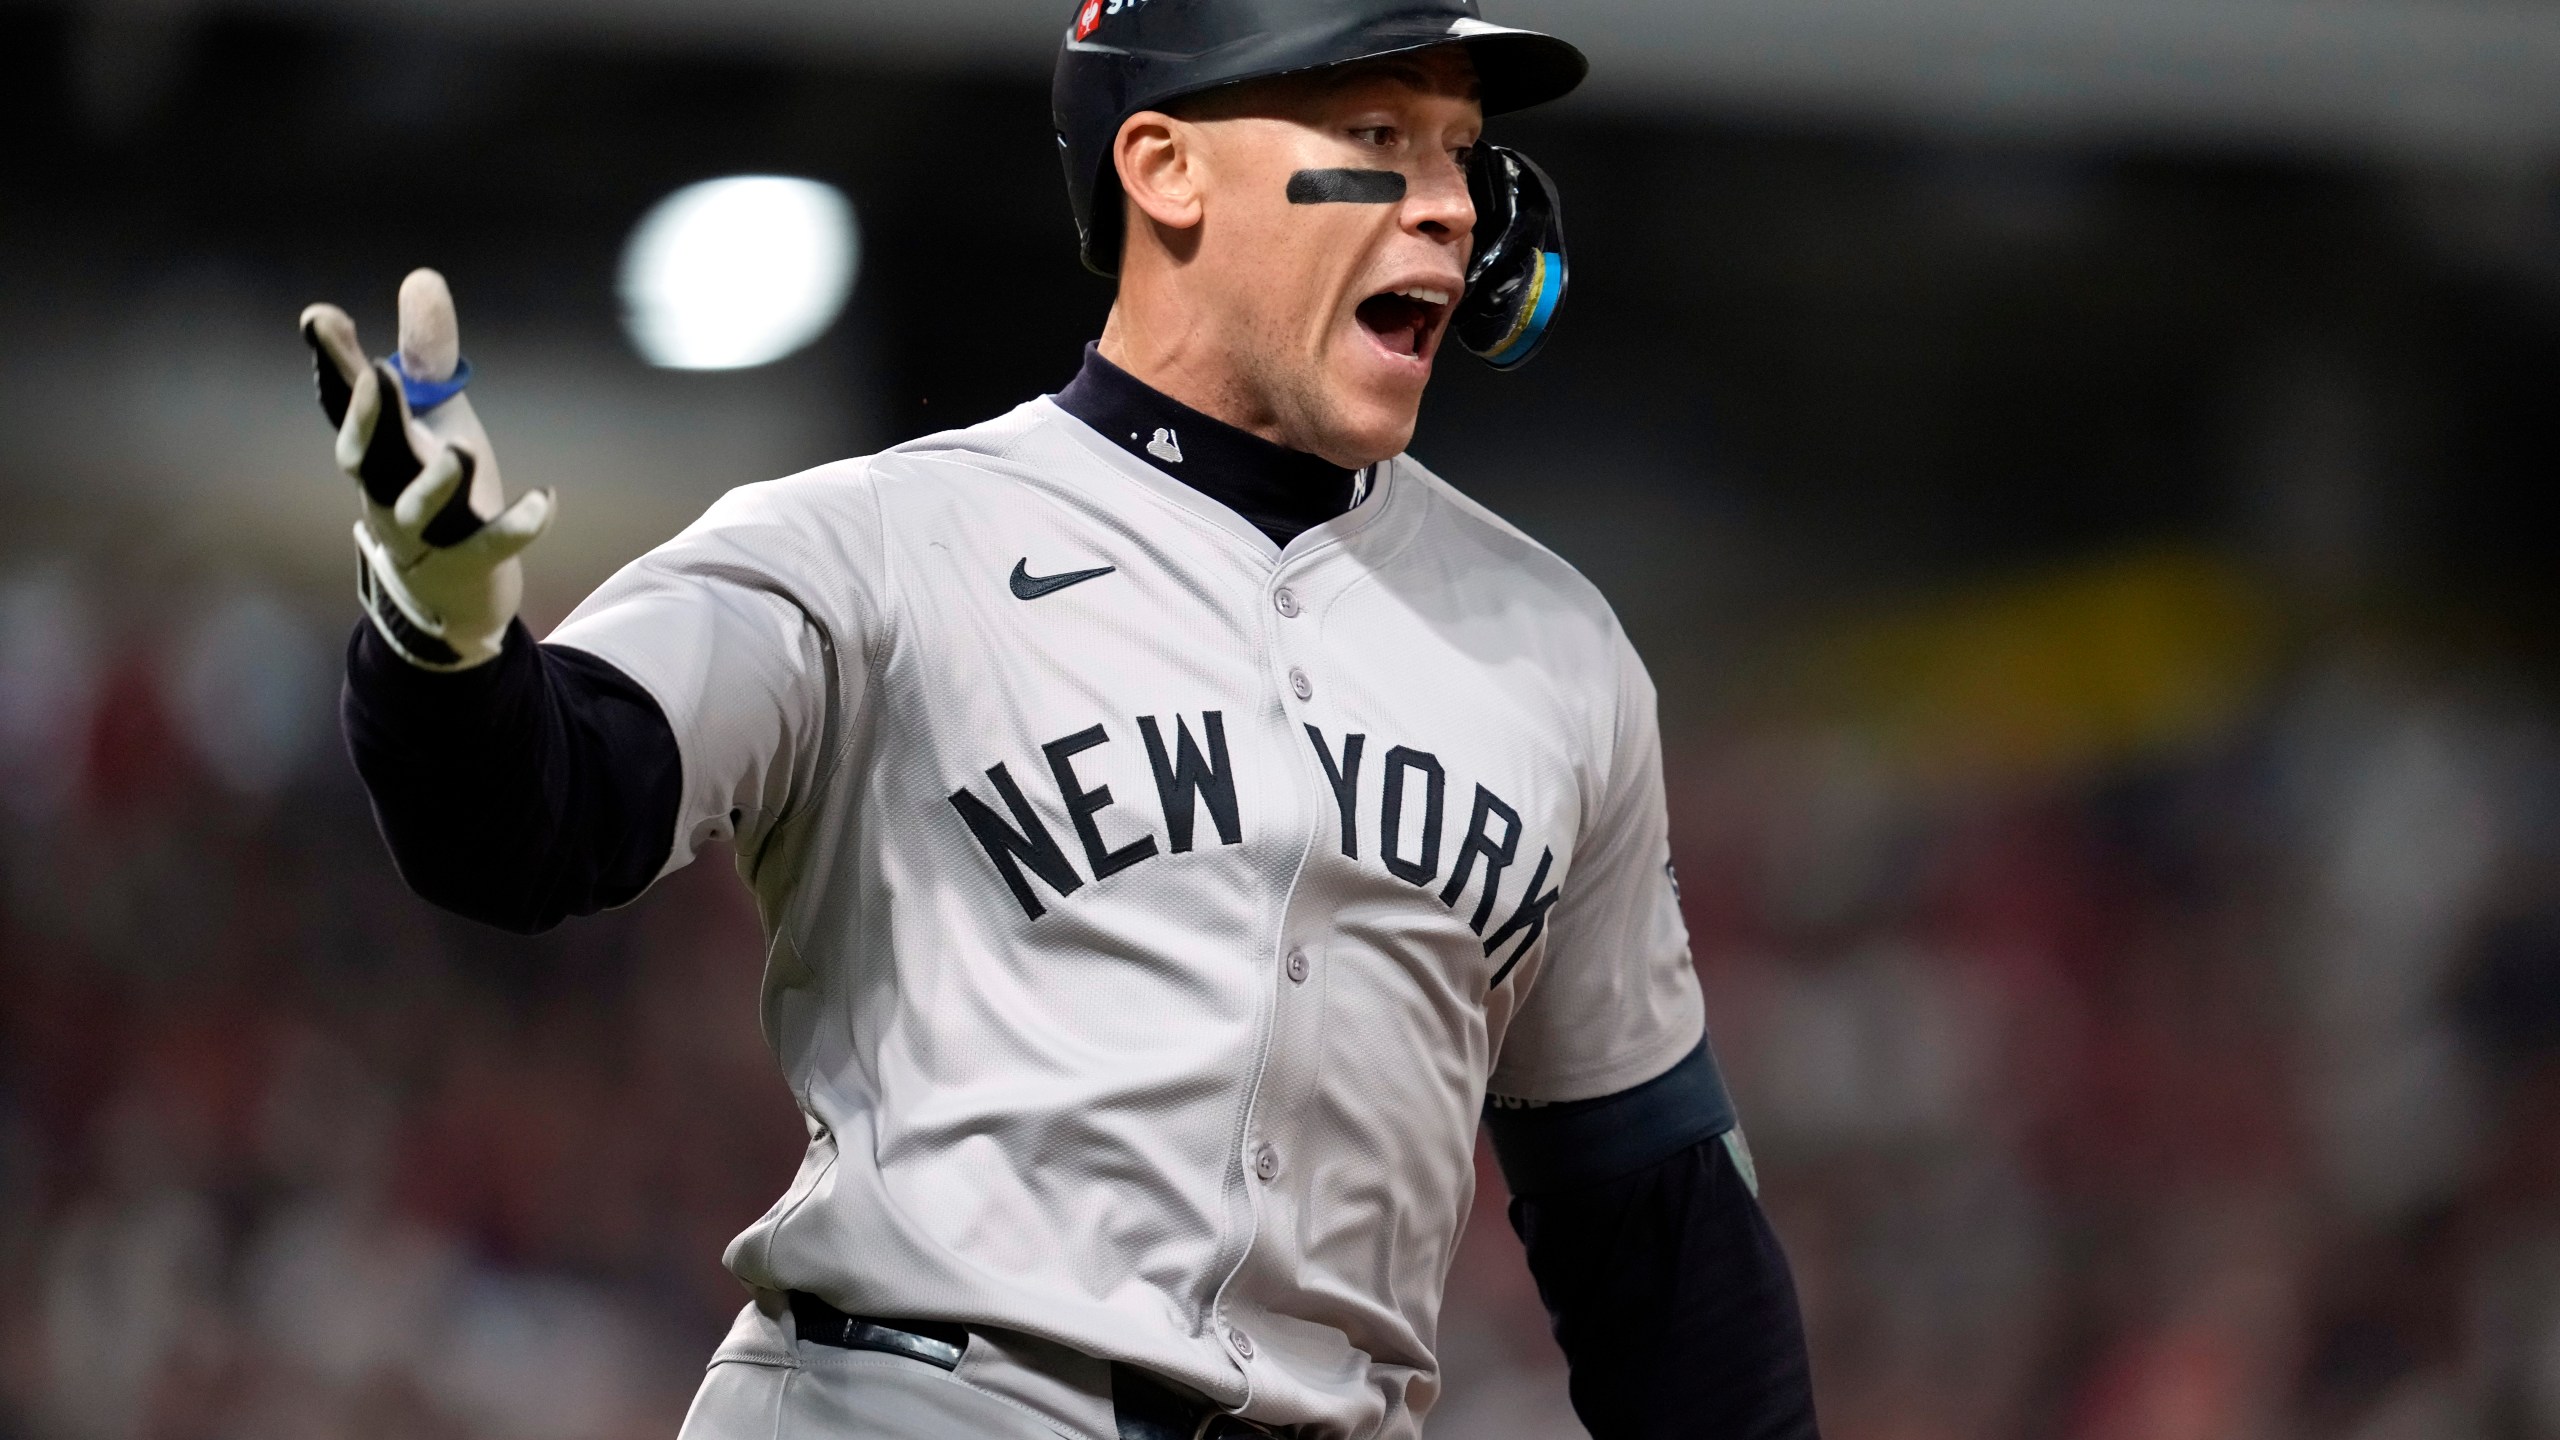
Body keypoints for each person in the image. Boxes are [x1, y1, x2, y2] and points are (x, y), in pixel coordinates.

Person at [302, 1, 1819, 1436]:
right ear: (1165, 167)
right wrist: (444, 641)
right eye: (1380, 134)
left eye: (1462, 151)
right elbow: (535, 819)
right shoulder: (883, 540)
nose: (1452, 207)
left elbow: (1661, 1227)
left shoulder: (1558, 651)